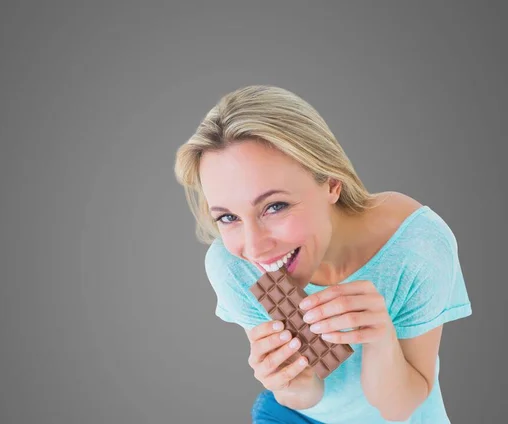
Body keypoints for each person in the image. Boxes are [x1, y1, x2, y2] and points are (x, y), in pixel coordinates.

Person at [173, 85, 472, 423]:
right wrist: (290, 381)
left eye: (275, 206)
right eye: (228, 217)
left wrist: (380, 340)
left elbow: (400, 408)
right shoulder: (233, 265)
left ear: (331, 183)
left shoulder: (416, 246)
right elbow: (304, 395)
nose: (254, 248)